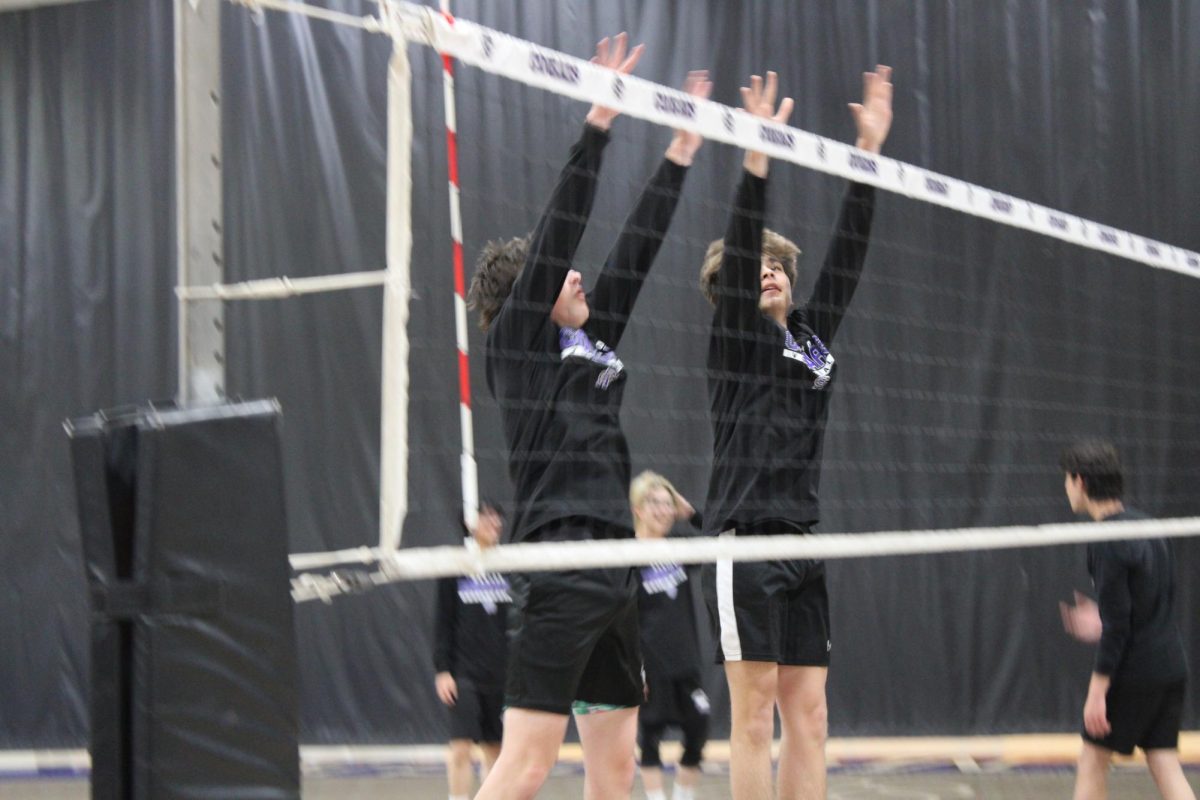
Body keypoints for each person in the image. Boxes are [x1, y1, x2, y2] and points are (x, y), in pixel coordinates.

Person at [467, 34, 711, 800]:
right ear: (531, 298)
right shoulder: (519, 346)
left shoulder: (592, 339)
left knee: (616, 767)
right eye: (556, 272)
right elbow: (563, 227)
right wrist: (600, 117)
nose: (577, 272)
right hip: (558, 565)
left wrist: (679, 153)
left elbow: (635, 251)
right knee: (529, 764)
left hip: (615, 567)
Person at [698, 66, 893, 800]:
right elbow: (744, 236)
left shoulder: (812, 335)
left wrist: (866, 154)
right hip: (746, 542)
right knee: (754, 717)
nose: (771, 271)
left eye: (780, 265)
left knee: (809, 714)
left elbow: (849, 252)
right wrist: (756, 160)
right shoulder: (734, 341)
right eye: (759, 265)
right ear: (734, 288)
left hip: (804, 540)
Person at [1057, 440, 1194, 800]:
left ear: (1081, 481)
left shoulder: (1107, 538)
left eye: (1067, 480)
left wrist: (1097, 692)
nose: (1066, 489)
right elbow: (1146, 604)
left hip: (1134, 672)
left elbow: (1120, 625)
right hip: (1170, 667)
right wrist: (1103, 617)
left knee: (1091, 761)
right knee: (1164, 762)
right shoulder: (1148, 526)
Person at [630, 471, 710, 800]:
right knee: (649, 733)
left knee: (699, 723)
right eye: (654, 503)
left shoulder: (678, 548)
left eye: (667, 504)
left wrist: (691, 515)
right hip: (650, 664)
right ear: (638, 509)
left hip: (685, 659)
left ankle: (683, 794)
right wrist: (635, 667)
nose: (663, 510)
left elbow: (720, 538)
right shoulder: (626, 554)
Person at [433, 508, 509, 800]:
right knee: (461, 746)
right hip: (464, 673)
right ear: (470, 522)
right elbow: (443, 622)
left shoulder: (510, 565)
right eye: (486, 516)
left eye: (497, 517)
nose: (495, 523)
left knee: (496, 749)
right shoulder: (456, 566)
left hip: (500, 673)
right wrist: (443, 670)